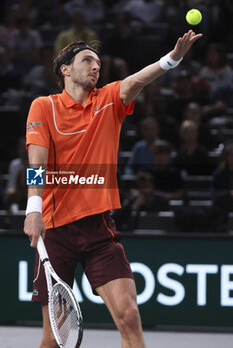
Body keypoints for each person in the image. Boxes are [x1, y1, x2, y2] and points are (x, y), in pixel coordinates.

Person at [24, 30, 202, 348]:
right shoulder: (43, 107)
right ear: (64, 69)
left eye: (98, 62)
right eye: (87, 60)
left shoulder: (107, 101)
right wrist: (33, 208)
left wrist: (171, 59)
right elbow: (37, 162)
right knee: (53, 339)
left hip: (98, 230)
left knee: (129, 316)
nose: (96, 66)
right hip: (55, 232)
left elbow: (135, 81)